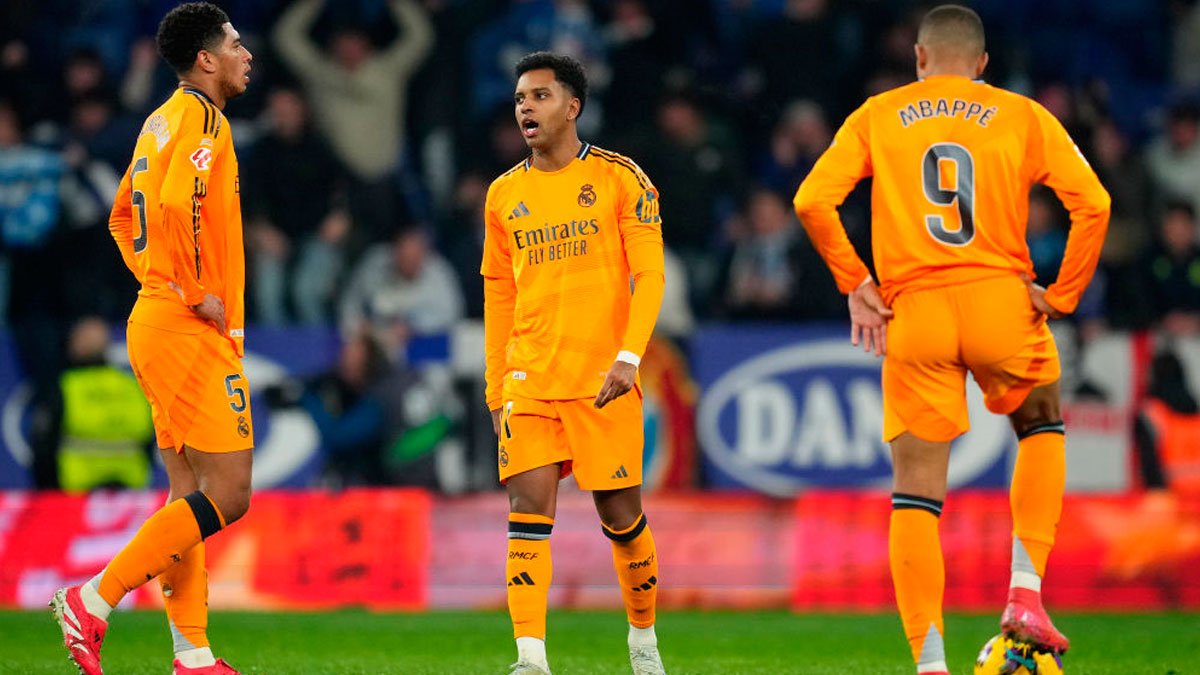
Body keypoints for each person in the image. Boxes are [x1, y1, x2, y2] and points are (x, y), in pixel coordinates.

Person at [793, 6, 1110, 675]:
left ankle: (931, 664)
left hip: (915, 312)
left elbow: (811, 201)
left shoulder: (878, 114)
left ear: (919, 57)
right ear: (983, 64)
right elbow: (1096, 203)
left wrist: (856, 281)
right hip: (1001, 301)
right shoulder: (1021, 114)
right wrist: (1062, 295)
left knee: (916, 494)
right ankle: (1025, 591)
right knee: (1042, 422)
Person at [50, 4, 254, 675]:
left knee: (186, 494)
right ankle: (92, 600)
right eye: (234, 43)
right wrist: (190, 290)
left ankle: (193, 654)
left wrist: (158, 284)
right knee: (228, 493)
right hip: (185, 323)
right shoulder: (203, 118)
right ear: (206, 59)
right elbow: (173, 204)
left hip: (155, 316)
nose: (245, 53)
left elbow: (121, 216)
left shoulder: (157, 120)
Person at [481, 52, 667, 675]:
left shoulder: (620, 178)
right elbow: (499, 296)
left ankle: (643, 643)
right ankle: (530, 659)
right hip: (530, 378)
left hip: (602, 382)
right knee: (526, 513)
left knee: (622, 518)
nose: (525, 108)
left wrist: (629, 357)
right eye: (519, 99)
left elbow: (650, 275)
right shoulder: (503, 195)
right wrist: (496, 389)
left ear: (572, 107)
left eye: (539, 96)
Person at [30, 316, 154, 492]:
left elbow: (44, 446)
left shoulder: (66, 387)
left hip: (75, 494)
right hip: (130, 492)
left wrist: (48, 491)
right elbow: (152, 440)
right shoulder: (133, 387)